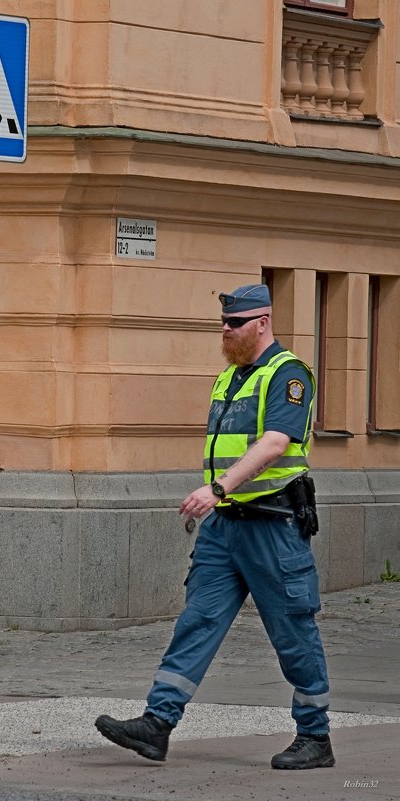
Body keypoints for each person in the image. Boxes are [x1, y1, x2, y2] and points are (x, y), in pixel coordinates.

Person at [95, 284, 334, 770]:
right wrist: (220, 498)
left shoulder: (287, 374)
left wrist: (218, 488)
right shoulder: (229, 377)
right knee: (198, 620)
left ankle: (315, 736)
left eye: (235, 323)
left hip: (272, 524)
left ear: (263, 322)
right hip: (225, 528)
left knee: (291, 631)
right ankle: (157, 724)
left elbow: (274, 443)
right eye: (224, 323)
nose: (226, 330)